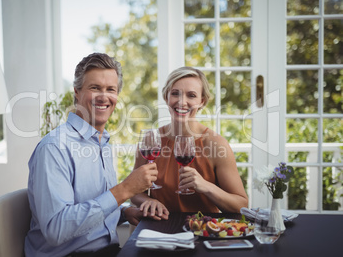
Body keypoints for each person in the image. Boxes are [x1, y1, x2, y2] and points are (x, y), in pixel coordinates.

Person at [25, 53, 163, 257]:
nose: (103, 96)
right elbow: (56, 229)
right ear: (77, 92)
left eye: (111, 90)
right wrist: (124, 190)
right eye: (95, 88)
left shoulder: (103, 142)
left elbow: (93, 207)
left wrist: (125, 212)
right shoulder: (55, 147)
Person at [131, 66, 248, 219]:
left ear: (202, 101)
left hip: (204, 232)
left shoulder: (216, 145)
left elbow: (242, 206)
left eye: (191, 95)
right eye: (175, 93)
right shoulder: (151, 141)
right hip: (159, 230)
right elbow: (135, 192)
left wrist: (207, 187)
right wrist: (149, 201)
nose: (182, 102)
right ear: (166, 97)